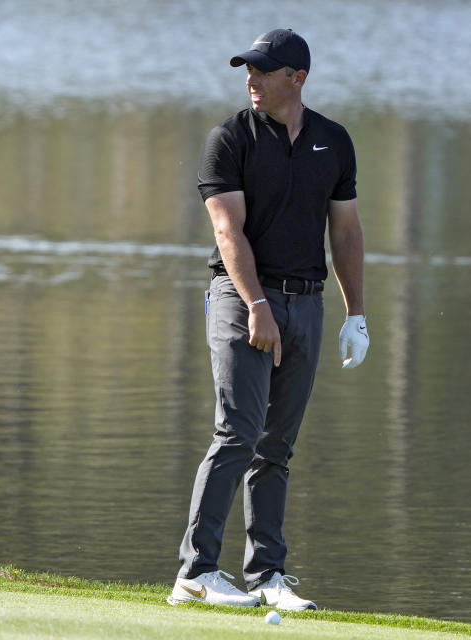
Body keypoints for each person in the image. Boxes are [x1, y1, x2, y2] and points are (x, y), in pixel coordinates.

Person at [167, 28, 369, 611]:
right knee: (237, 433)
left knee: (276, 446)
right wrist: (256, 306)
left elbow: (347, 230)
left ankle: (268, 576)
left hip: (306, 300)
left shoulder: (333, 140)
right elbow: (227, 232)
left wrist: (357, 313)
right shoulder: (229, 138)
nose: (251, 79)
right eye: (247, 69)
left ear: (296, 78)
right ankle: (197, 571)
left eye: (263, 69)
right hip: (239, 296)